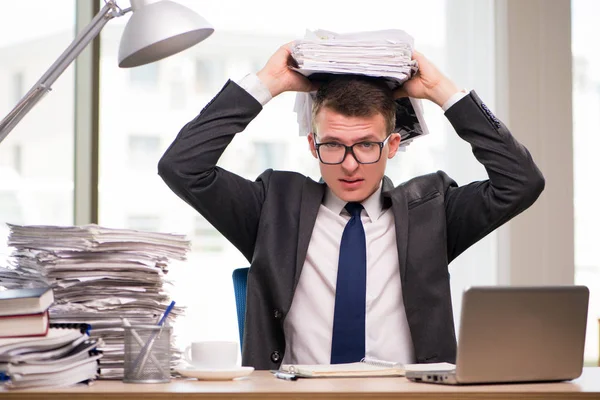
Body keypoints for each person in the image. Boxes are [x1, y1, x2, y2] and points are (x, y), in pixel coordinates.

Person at [158, 43, 545, 370]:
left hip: (406, 396)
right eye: (332, 145)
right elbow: (182, 166)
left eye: (365, 145)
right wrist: (266, 85)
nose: (348, 163)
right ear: (312, 145)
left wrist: (444, 91)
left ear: (392, 145)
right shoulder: (272, 207)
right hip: (297, 395)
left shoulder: (432, 210)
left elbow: (521, 182)